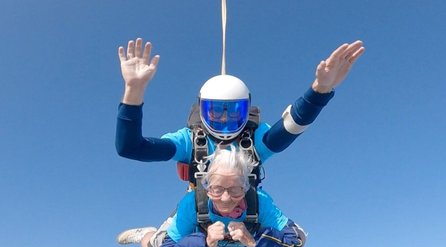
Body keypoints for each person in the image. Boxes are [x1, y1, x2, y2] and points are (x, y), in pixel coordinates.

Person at [115, 38, 365, 165]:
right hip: (201, 216)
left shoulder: (254, 140)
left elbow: (294, 125)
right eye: (216, 112)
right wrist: (133, 89)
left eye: (232, 113)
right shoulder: (189, 142)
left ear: (246, 111)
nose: (224, 121)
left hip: (245, 219)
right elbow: (130, 148)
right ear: (201, 111)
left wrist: (321, 88)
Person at [118, 147, 306, 247]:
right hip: (199, 236)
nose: (225, 198)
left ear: (246, 187)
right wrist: (205, 243)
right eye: (217, 189)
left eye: (235, 190)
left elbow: (296, 242)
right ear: (206, 188)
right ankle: (149, 234)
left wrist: (253, 240)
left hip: (243, 245)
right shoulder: (192, 203)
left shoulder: (259, 200)